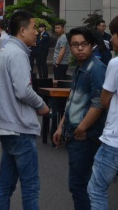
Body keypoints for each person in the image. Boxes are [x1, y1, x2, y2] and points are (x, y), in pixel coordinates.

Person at [0, 10, 50, 210]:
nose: (37, 32)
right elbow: (24, 91)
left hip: (7, 127)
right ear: (23, 30)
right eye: (33, 28)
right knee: (30, 187)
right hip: (21, 128)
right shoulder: (17, 54)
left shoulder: (4, 52)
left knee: (5, 186)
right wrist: (42, 105)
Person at [52, 27, 107, 209]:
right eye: (75, 45)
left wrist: (81, 128)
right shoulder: (80, 68)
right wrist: (61, 126)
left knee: (79, 185)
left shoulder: (96, 69)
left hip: (85, 136)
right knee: (79, 184)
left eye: (84, 44)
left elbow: (99, 103)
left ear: (92, 45)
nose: (80, 48)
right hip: (74, 132)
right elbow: (72, 100)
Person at [87, 15, 118, 209]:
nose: (111, 38)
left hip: (114, 140)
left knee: (96, 189)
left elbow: (104, 99)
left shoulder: (115, 64)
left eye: (114, 34)